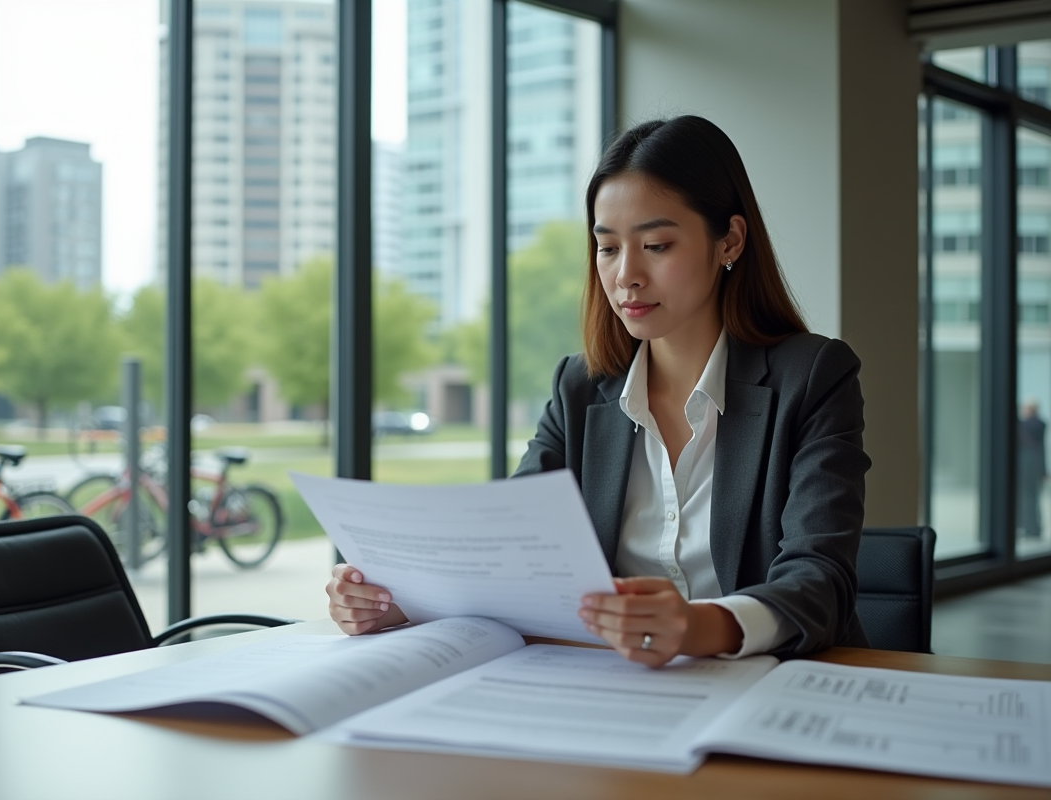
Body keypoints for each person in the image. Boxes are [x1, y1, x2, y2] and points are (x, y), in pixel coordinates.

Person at [327, 116, 872, 666]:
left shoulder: (813, 377)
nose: (626, 275)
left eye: (656, 245)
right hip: (617, 685)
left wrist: (698, 625)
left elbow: (820, 580)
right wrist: (398, 602)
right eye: (607, 248)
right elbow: (511, 556)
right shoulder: (579, 389)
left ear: (729, 240)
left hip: (774, 682)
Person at [1017, 399, 1046, 540]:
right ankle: (1033, 527)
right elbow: (1042, 449)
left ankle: (1030, 528)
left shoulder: (1028, 425)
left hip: (1026, 466)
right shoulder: (1040, 424)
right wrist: (1043, 470)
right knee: (1032, 497)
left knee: (1027, 497)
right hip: (1035, 465)